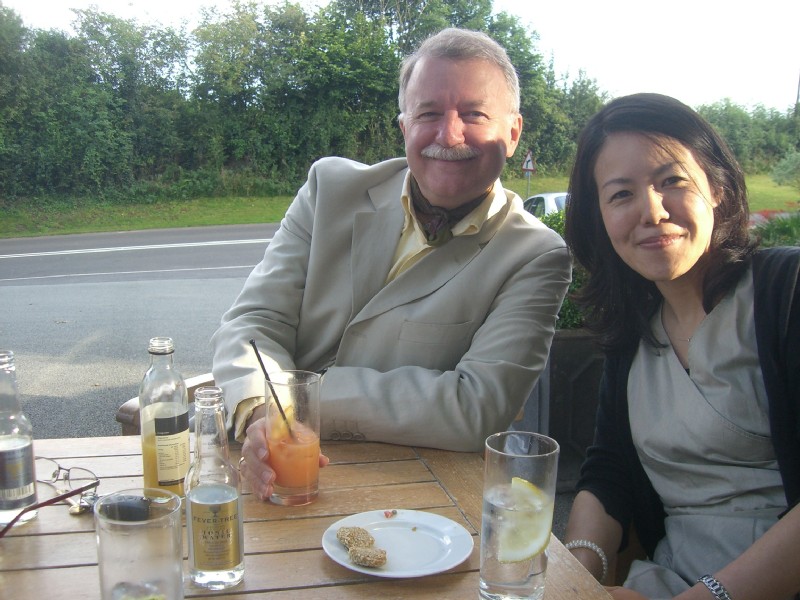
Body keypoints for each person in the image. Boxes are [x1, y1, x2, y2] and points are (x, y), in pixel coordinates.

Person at [211, 28, 571, 500]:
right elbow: (254, 322)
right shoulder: (328, 189)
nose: (449, 135)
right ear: (404, 128)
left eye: (474, 114)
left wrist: (296, 404)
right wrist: (261, 411)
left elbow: (476, 408)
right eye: (428, 113)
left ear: (513, 132)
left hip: (410, 492)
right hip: (269, 466)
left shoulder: (534, 255)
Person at [561, 92, 800, 600]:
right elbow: (608, 473)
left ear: (716, 188)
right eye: (621, 195)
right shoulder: (632, 333)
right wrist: (578, 579)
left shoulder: (786, 292)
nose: (652, 211)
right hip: (665, 582)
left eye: (671, 181)